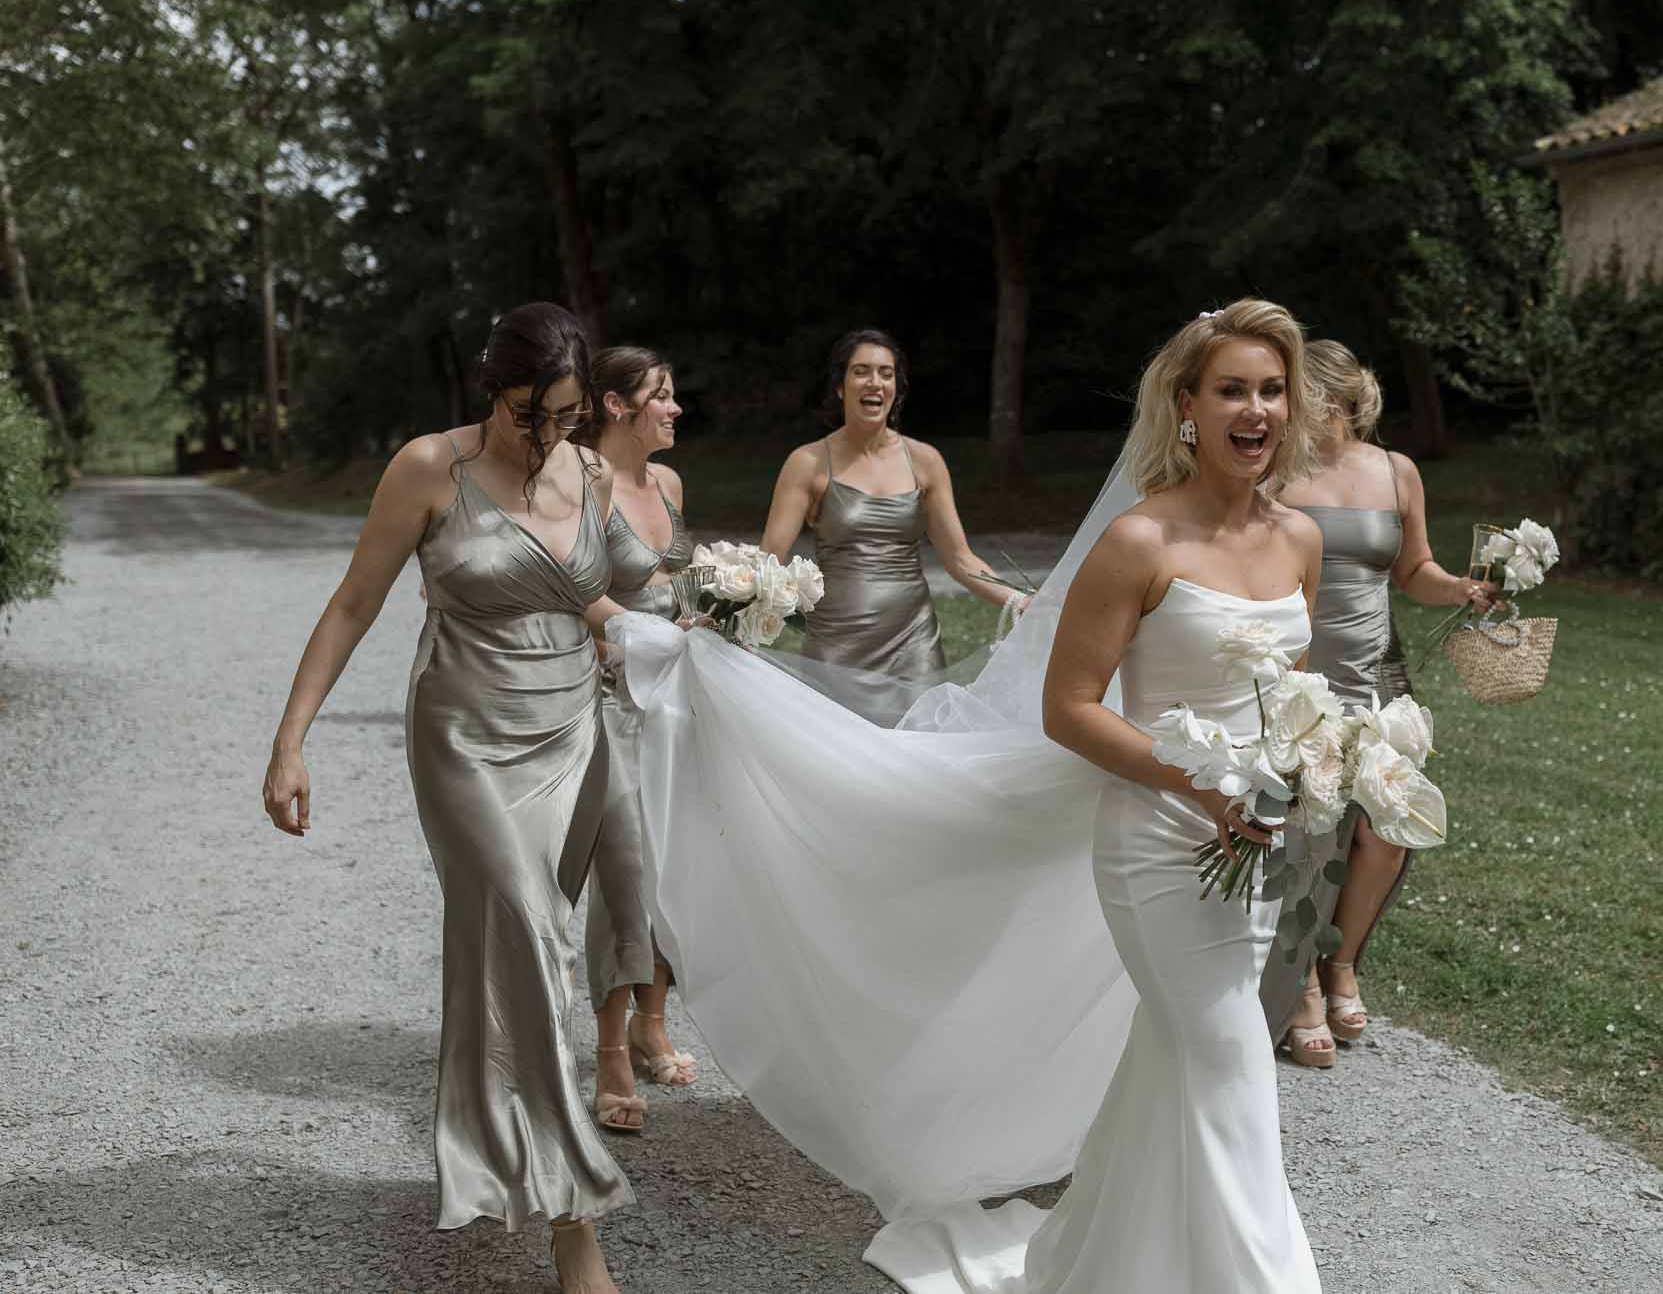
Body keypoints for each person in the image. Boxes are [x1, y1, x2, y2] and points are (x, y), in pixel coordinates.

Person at [607, 299, 1328, 1293]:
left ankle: (1103, 1259)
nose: (1254, 409)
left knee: (1180, 1058)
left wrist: (1315, 763)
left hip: (1253, 849)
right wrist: (1199, 782)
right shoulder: (1138, 540)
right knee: (1226, 1052)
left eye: (1270, 390)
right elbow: (1068, 709)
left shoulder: (1300, 539)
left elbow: (1297, 692)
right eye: (1231, 390)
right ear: (1188, 408)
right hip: (1162, 842)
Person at [260, 303, 635, 1294]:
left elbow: (633, 587)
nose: (544, 435)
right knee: (530, 937)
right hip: (465, 742)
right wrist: (291, 739)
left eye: (563, 416)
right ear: (491, 388)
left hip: (572, 739)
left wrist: (734, 588)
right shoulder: (430, 468)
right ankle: (574, 1225)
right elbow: (352, 604)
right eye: (527, 413)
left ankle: (489, 1154)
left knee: (517, 957)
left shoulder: (590, 474)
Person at [1259, 339, 1497, 1067]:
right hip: (1304, 675)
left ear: (1342, 400)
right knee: (1307, 836)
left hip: (1383, 677)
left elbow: (1413, 567)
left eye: (1310, 399)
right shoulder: (1275, 468)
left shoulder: (1396, 471)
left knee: (1388, 830)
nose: (1301, 412)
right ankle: (1296, 984)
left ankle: (1343, 961)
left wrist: (1458, 589)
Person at [580, 346, 699, 1134]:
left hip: (681, 700)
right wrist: (623, 634)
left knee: (671, 860)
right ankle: (610, 1049)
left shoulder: (671, 483)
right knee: (624, 862)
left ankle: (655, 1022)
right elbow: (568, 581)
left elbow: (682, 582)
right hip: (612, 697)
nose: (675, 407)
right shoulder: (582, 475)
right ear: (617, 404)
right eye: (661, 395)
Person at [760, 329, 1022, 681]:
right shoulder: (808, 462)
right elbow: (770, 557)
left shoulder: (925, 461)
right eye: (861, 371)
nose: (875, 382)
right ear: (840, 386)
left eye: (886, 374)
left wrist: (1017, 599)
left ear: (896, 389)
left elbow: (960, 558)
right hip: (836, 645)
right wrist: (726, 611)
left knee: (917, 734)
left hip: (913, 642)